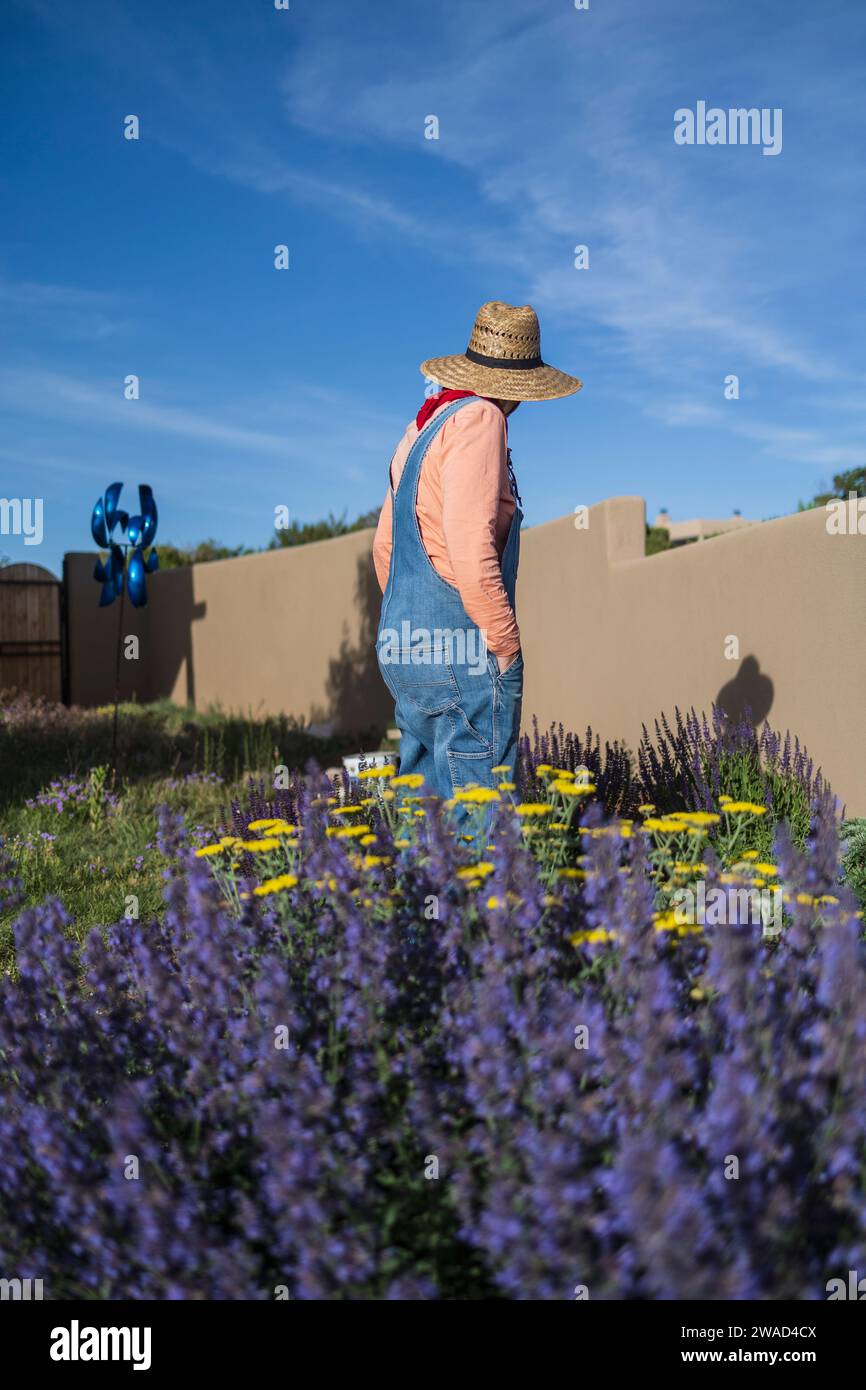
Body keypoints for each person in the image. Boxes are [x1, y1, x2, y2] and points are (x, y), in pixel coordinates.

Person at [373, 300, 581, 808]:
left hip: (403, 646)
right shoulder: (482, 418)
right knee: (478, 816)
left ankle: (417, 891)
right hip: (463, 653)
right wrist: (505, 646)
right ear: (521, 389)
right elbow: (470, 550)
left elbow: (385, 548)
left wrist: (415, 617)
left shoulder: (421, 427)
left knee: (423, 812)